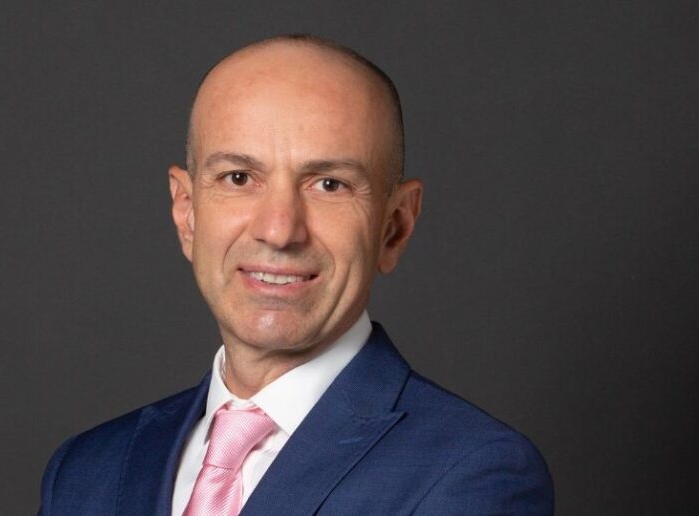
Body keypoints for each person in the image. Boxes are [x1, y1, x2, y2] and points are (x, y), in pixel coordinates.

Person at [38, 34, 553, 515]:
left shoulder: (472, 473)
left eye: (329, 184)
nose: (279, 230)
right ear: (187, 213)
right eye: (239, 177)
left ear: (394, 227)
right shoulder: (85, 472)